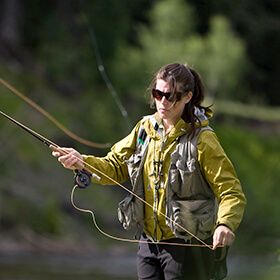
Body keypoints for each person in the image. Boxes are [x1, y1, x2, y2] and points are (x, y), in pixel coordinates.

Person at [53, 63, 246, 280]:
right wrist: (82, 162)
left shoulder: (203, 140)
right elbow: (115, 167)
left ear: (187, 97)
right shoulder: (144, 129)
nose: (162, 102)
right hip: (148, 244)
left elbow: (231, 190)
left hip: (188, 247)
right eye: (157, 93)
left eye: (170, 96)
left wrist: (225, 224)